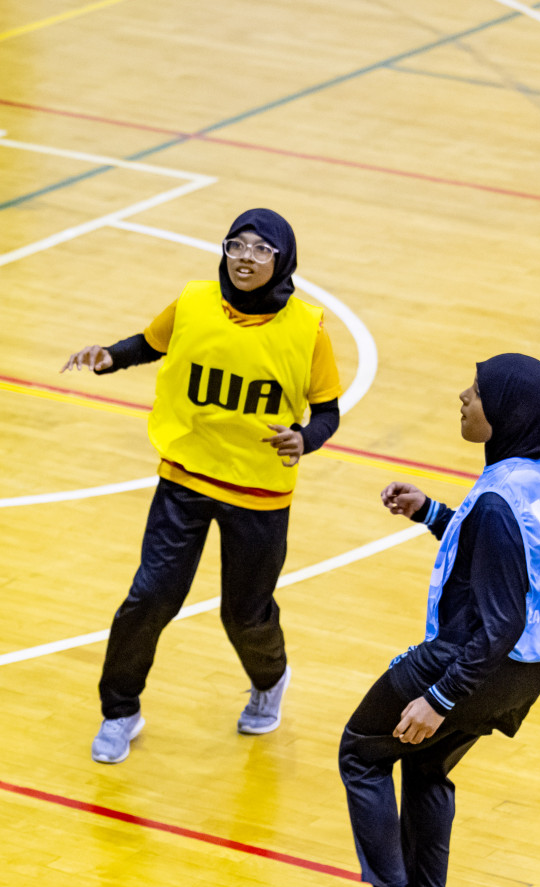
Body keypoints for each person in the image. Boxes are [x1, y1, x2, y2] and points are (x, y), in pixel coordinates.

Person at [62, 208, 343, 764]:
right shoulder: (193, 301)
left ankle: (270, 679)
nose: (245, 257)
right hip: (185, 478)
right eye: (236, 245)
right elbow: (150, 342)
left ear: (281, 260)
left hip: (259, 493)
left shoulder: (308, 329)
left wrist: (306, 440)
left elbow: (329, 411)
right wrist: (109, 357)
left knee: (245, 612)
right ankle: (120, 711)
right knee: (149, 598)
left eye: (261, 249)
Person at [329, 354, 540, 887]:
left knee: (362, 751)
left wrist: (437, 698)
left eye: (477, 392)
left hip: (474, 659)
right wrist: (432, 513)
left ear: (506, 414)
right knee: (426, 766)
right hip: (528, 668)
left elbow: (498, 620)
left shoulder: (498, 503)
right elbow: (497, 569)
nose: (463, 397)